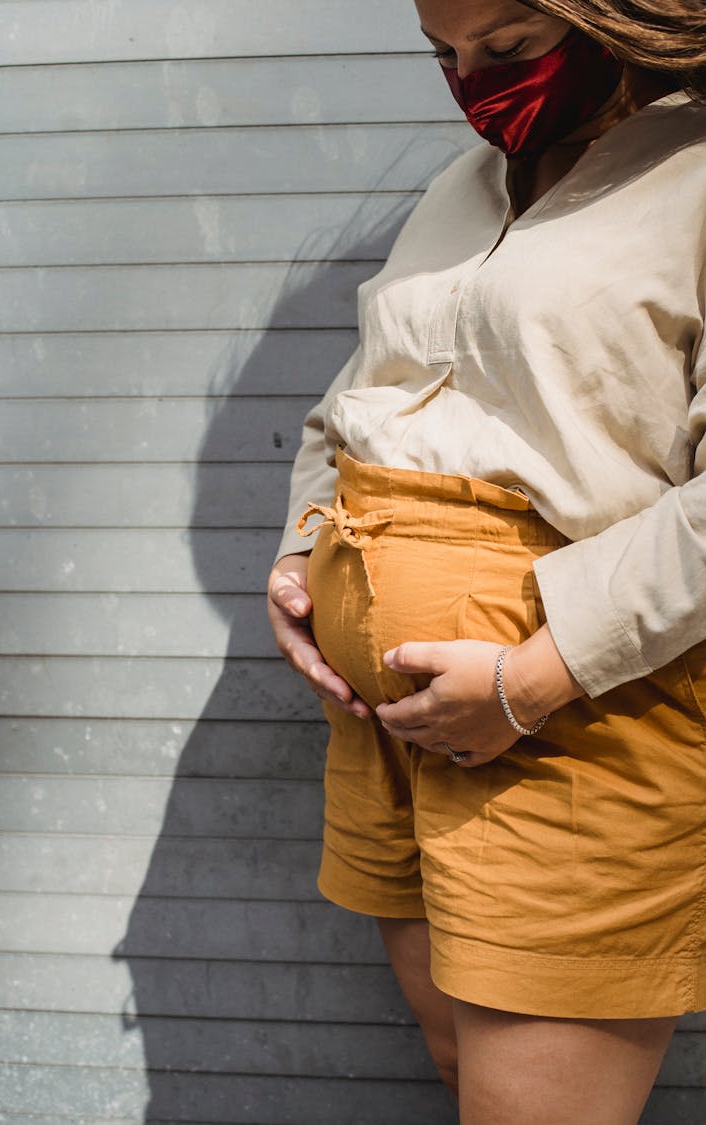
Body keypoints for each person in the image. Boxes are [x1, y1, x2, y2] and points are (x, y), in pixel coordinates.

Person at [267, 1, 706, 1121]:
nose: (471, 81)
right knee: (465, 1071)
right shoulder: (461, 189)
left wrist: (533, 679)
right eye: (443, 54)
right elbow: (355, 402)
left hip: (568, 716)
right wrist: (304, 554)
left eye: (506, 49)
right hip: (388, 732)